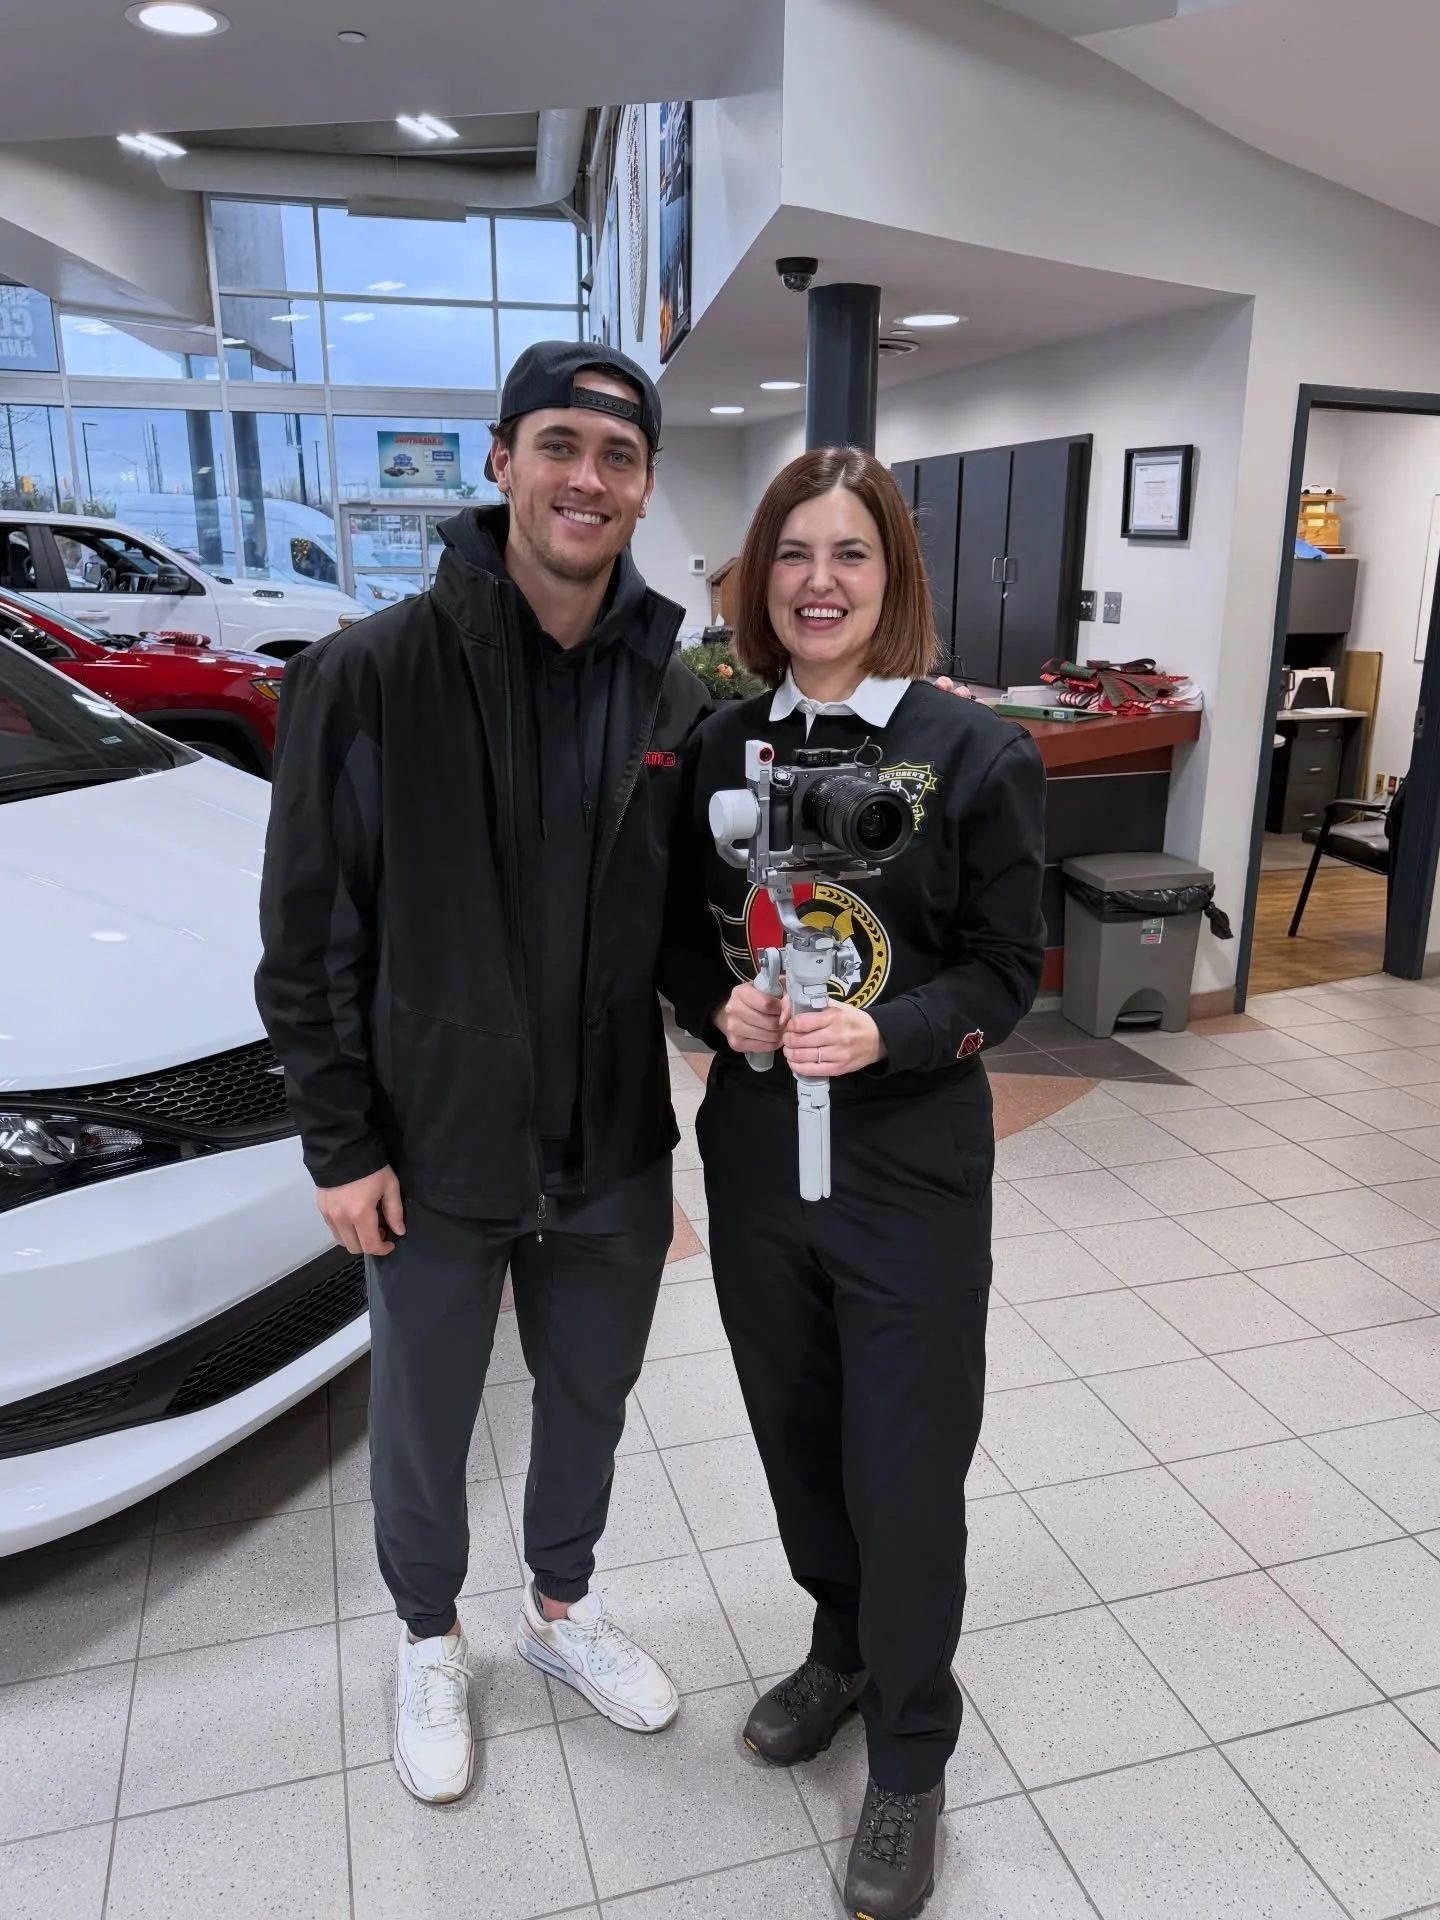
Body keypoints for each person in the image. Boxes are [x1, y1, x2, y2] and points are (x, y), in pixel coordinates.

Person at [256, 341, 711, 1804]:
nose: (590, 478)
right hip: (433, 1142)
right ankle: (427, 1635)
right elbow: (309, 930)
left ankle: (564, 1611)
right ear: (502, 458)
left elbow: (679, 935)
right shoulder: (369, 675)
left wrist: (750, 1007)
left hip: (614, 1148)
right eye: (562, 445)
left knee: (589, 1393)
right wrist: (339, 1141)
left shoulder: (674, 692)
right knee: (427, 1413)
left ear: (645, 488)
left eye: (620, 456)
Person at [663, 447, 1047, 1920]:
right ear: (760, 582)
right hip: (761, 1155)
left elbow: (1008, 972)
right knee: (798, 1427)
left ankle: (909, 1747)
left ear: (894, 579)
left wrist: (883, 1027)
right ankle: (841, 1646)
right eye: (792, 555)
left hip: (909, 1163)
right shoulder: (719, 748)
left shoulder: (972, 755)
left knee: (905, 1455)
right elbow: (675, 944)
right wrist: (722, 1010)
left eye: (852, 554)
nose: (819, 582)